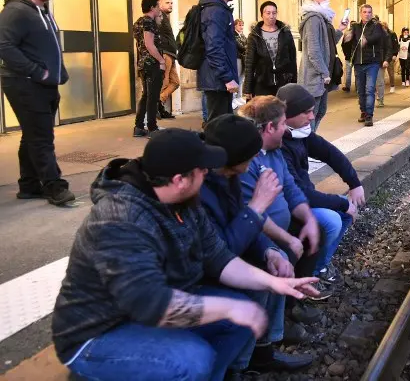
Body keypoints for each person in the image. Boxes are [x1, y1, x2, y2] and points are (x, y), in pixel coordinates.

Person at [51, 128, 320, 381]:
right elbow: (153, 305)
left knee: (240, 319)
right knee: (192, 359)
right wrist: (232, 308)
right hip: (99, 331)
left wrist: (276, 283)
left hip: (152, 305)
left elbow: (219, 257)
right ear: (180, 180)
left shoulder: (183, 202)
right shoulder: (121, 219)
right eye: (202, 170)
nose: (208, 173)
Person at [200, 115, 314, 373]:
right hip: (192, 278)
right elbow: (218, 253)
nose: (253, 163)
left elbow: (237, 216)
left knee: (273, 265)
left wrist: (269, 250)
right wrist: (258, 206)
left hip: (213, 262)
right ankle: (236, 368)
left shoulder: (224, 175)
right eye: (250, 158)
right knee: (255, 289)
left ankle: (261, 352)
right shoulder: (197, 186)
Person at [237, 96, 330, 334]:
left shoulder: (275, 151)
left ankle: (291, 306)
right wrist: (287, 240)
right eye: (282, 126)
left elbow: (290, 188)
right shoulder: (247, 161)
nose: (286, 131)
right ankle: (272, 332)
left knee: (314, 231)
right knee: (283, 253)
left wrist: (308, 219)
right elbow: (251, 213)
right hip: (258, 235)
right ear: (269, 128)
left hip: (277, 229)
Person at [0, 0, 74, 206]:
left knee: (32, 134)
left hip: (43, 84)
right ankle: (54, 187)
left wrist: (56, 75)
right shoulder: (16, 11)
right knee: (42, 137)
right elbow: (4, 46)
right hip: (24, 83)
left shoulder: (41, 10)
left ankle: (29, 185)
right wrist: (37, 72)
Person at [277, 84, 366, 284]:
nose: (312, 116)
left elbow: (329, 153)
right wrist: (342, 203)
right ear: (288, 115)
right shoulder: (279, 144)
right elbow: (298, 193)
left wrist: (354, 182)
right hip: (289, 206)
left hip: (301, 197)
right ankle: (313, 272)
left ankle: (320, 265)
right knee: (333, 220)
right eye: (306, 112)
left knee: (343, 212)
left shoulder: (299, 133)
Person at [298, 0, 348, 132]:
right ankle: (307, 147)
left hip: (322, 75)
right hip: (314, 75)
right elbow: (313, 50)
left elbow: (328, 43)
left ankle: (310, 142)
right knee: (311, 115)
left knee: (320, 111)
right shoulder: (313, 19)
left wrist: (339, 29)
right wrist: (324, 72)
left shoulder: (323, 17)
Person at [198, 0, 239, 121]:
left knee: (224, 123)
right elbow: (214, 47)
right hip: (217, 80)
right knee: (218, 125)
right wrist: (227, 78)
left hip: (217, 78)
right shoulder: (216, 11)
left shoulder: (217, 9)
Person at [243, 1, 297, 99]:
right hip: (262, 82)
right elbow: (249, 64)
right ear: (262, 15)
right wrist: (248, 88)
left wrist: (294, 82)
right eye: (268, 13)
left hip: (283, 81)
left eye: (274, 13)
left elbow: (292, 58)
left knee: (283, 111)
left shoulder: (285, 32)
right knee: (264, 112)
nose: (271, 16)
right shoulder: (254, 36)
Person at [345, 4, 385, 126]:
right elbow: (348, 43)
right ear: (360, 13)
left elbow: (377, 37)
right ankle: (363, 111)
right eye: (364, 12)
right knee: (361, 90)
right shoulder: (355, 27)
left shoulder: (376, 26)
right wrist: (347, 39)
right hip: (358, 63)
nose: (367, 14)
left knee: (369, 89)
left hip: (372, 62)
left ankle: (369, 115)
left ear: (371, 13)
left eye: (369, 12)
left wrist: (367, 39)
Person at [132, 0, 166, 138]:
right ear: (152, 7)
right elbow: (149, 44)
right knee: (152, 97)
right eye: (158, 6)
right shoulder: (148, 22)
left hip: (143, 64)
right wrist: (161, 60)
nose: (160, 8)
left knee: (146, 96)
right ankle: (152, 127)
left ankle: (139, 127)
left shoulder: (138, 22)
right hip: (152, 64)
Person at [156, 0, 179, 120]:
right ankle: (157, 107)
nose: (170, 5)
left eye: (171, 2)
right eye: (167, 2)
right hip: (165, 53)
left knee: (175, 82)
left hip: (171, 54)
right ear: (159, 4)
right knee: (164, 82)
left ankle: (158, 102)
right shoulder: (159, 16)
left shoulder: (165, 17)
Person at [375, 21, 399, 105]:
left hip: (384, 59)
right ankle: (377, 95)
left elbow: (392, 47)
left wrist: (392, 56)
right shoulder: (373, 35)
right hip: (373, 60)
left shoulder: (389, 35)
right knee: (375, 81)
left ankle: (381, 97)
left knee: (382, 78)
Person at [234, 18, 247, 98]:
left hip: (243, 58)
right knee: (237, 78)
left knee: (242, 78)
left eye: (242, 25)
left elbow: (247, 44)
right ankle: (234, 98)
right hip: (237, 58)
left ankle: (239, 97)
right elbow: (241, 47)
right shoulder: (233, 35)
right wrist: (246, 47)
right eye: (239, 25)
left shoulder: (242, 35)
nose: (241, 27)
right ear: (235, 26)